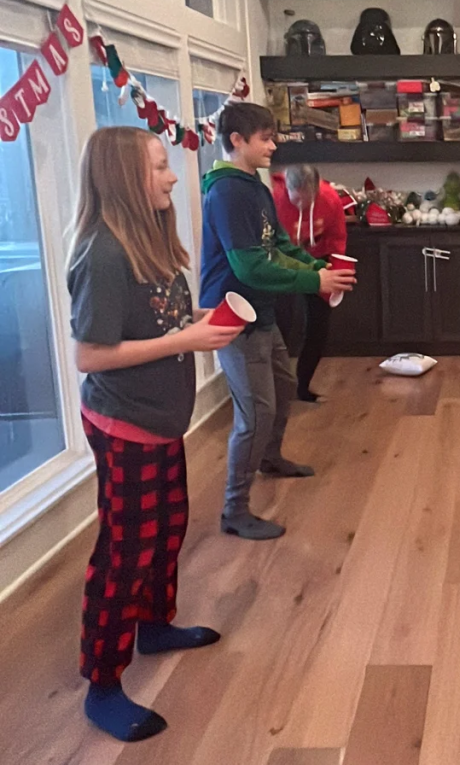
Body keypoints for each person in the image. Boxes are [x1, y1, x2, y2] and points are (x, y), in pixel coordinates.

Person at [67, 127, 243, 741]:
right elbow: (90, 353)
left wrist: (204, 323)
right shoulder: (103, 254)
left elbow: (160, 320)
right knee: (124, 550)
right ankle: (103, 682)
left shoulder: (150, 242)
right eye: (161, 167)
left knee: (168, 526)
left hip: (162, 419)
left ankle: (153, 624)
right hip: (124, 423)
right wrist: (185, 341)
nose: (172, 177)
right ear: (124, 178)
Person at [199, 103, 355, 540]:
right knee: (256, 411)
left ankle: (270, 457)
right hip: (234, 316)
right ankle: (234, 509)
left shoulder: (256, 185)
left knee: (284, 388)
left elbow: (278, 245)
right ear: (237, 140)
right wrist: (314, 278)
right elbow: (251, 267)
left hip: (260, 309)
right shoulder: (226, 192)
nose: (273, 146)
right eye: (265, 138)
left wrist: (320, 268)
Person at [271, 164, 349, 402]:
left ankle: (303, 388)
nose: (302, 205)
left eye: (309, 199)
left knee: (318, 328)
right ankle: (276, 391)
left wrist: (335, 272)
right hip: (283, 264)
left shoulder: (330, 199)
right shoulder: (274, 199)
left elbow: (337, 238)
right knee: (281, 326)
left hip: (319, 262)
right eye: (297, 200)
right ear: (288, 190)